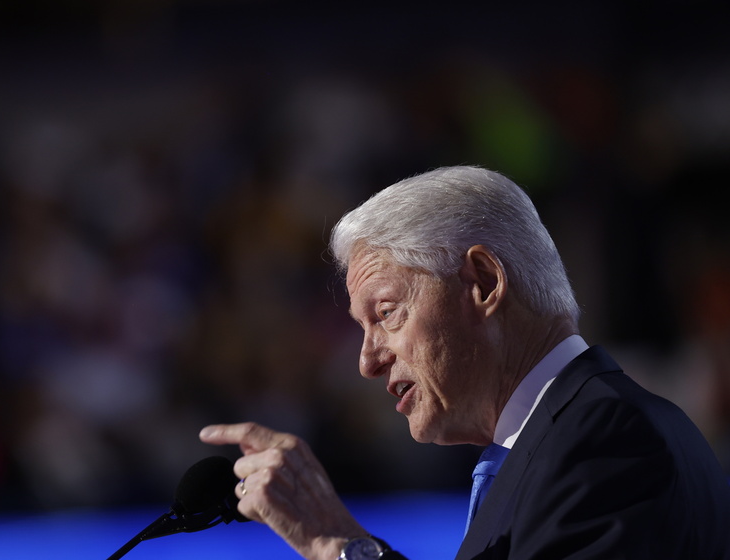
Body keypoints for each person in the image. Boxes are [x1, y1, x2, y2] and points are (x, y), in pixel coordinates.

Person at [199, 166, 730, 560]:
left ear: (483, 283)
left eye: (386, 313)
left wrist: (339, 545)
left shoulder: (606, 442)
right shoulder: (564, 440)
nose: (367, 360)